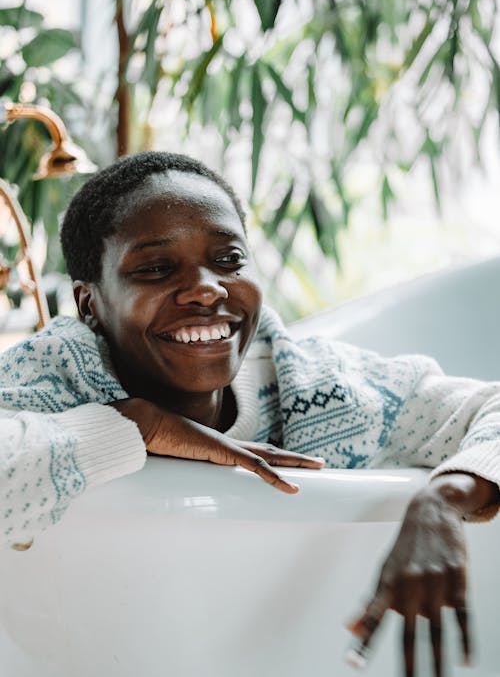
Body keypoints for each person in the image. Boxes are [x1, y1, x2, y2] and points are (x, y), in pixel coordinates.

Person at [0, 151, 499, 677]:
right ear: (89, 305)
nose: (207, 288)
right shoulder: (53, 377)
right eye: (155, 268)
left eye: (228, 259)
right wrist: (135, 424)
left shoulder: (313, 384)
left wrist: (443, 500)